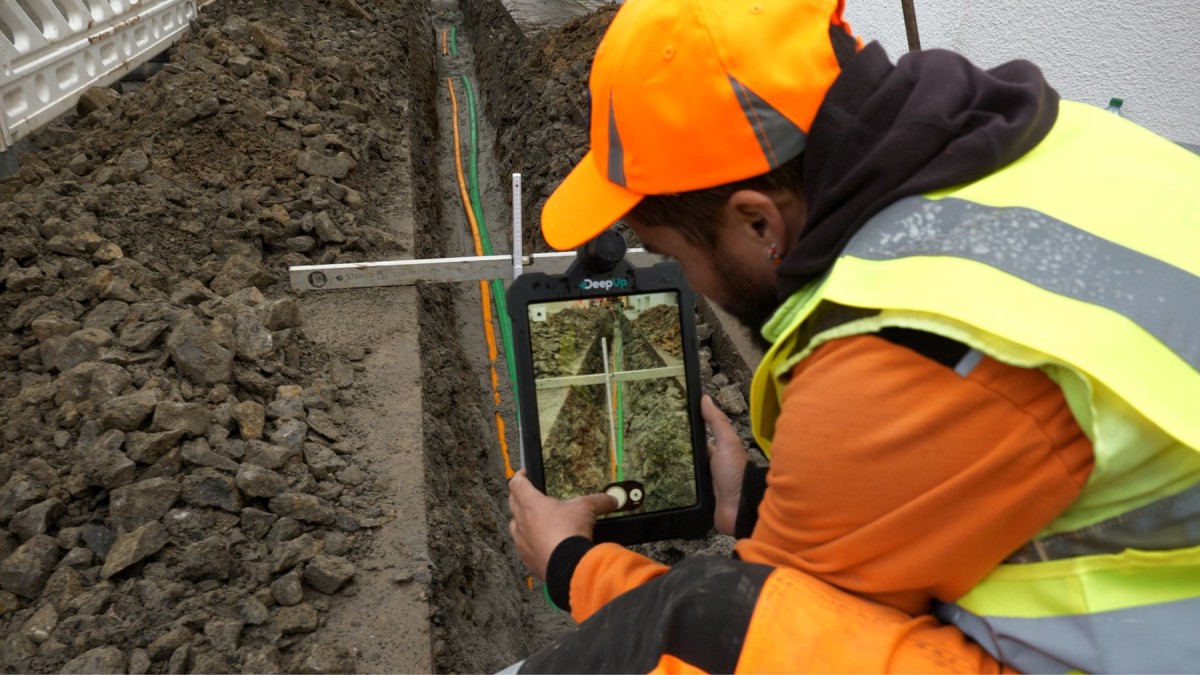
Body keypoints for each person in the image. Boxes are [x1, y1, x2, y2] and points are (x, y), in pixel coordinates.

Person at [506, 0, 1200, 671]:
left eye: (677, 255)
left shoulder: (910, 342)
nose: (688, 277)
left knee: (706, 622)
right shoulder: (1074, 146)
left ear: (758, 224)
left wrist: (573, 564)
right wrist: (747, 500)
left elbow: (769, 619)